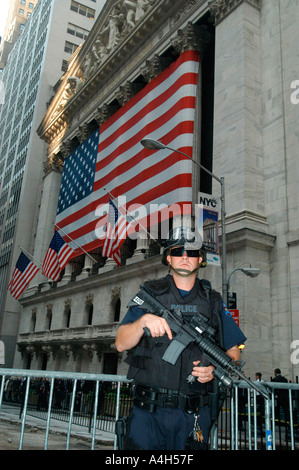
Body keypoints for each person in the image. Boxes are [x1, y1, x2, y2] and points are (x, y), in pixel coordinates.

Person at [115, 226, 247, 450]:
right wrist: (143, 322)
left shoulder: (213, 301)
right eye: (178, 252)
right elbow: (120, 343)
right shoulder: (150, 293)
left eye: (192, 252)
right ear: (168, 258)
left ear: (200, 260)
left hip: (192, 416)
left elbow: (235, 353)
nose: (185, 257)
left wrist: (214, 370)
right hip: (148, 414)